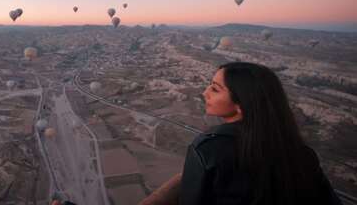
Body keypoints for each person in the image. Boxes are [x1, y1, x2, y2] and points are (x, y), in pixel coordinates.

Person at [140, 62, 342, 205]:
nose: (204, 93)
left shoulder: (209, 150)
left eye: (215, 89)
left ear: (241, 105)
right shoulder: (302, 152)